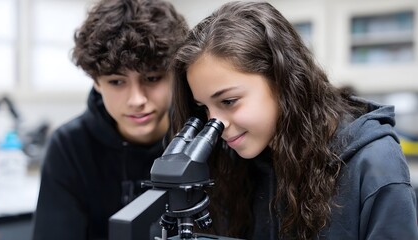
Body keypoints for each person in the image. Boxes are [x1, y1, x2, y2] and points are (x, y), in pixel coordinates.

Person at [169, 1, 418, 239]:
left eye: (228, 101)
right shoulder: (239, 164)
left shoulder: (374, 162)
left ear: (281, 81)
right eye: (204, 108)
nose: (216, 125)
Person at [32, 0, 188, 239]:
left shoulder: (200, 141)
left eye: (153, 78)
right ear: (96, 81)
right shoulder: (69, 147)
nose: (137, 99)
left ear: (174, 74)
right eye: (117, 82)